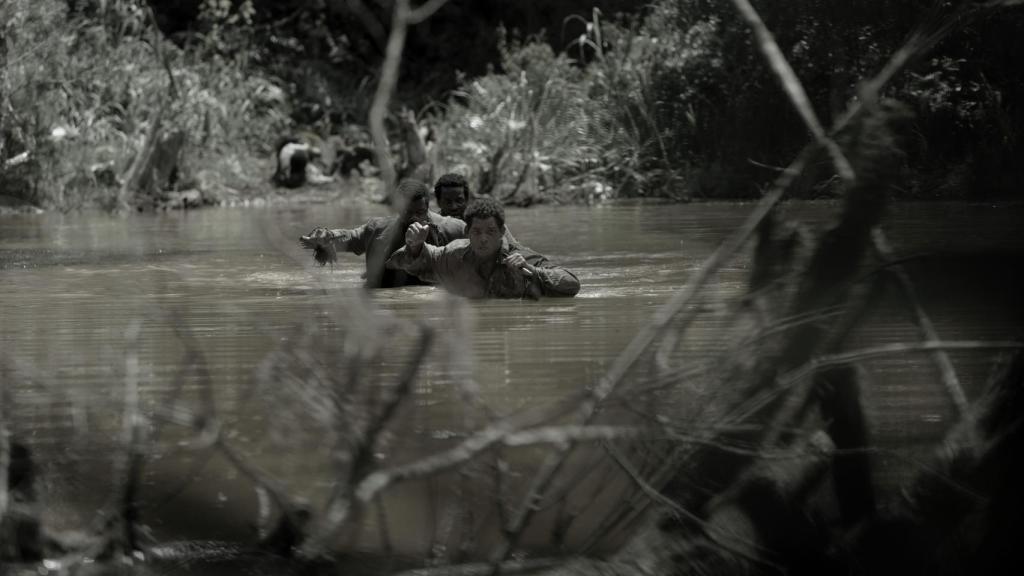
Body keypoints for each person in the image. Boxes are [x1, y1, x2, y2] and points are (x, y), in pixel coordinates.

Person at [386, 197, 580, 299]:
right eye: (477, 232)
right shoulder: (453, 255)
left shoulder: (519, 257)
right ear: (467, 231)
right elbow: (398, 262)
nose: (483, 239)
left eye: (490, 231)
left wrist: (535, 273)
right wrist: (414, 245)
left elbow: (572, 283)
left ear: (502, 232)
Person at [299, 179, 465, 288]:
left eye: (420, 212)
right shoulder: (377, 229)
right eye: (407, 212)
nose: (414, 218)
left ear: (428, 207)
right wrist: (326, 236)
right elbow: (350, 236)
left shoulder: (453, 229)